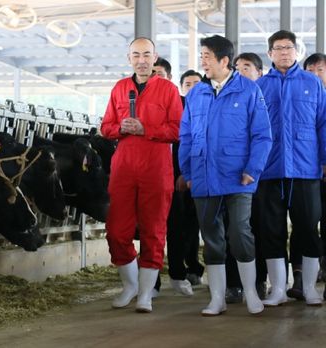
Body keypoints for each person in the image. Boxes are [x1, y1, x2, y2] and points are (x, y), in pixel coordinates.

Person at [179, 35, 272, 316]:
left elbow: (262, 135)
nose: (203, 61)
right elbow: (185, 135)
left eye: (207, 56)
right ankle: (216, 298)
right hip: (204, 175)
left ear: (224, 60)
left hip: (239, 176)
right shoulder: (197, 93)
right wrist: (188, 171)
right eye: (202, 55)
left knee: (240, 232)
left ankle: (252, 293)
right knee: (211, 238)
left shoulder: (248, 90)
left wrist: (252, 170)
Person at [101, 37, 182, 313]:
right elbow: (106, 127)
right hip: (124, 166)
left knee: (154, 230)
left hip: (157, 166)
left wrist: (145, 128)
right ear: (129, 58)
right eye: (136, 55)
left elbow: (177, 130)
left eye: (147, 54)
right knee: (115, 230)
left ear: (155, 57)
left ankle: (146, 293)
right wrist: (122, 127)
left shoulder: (169, 90)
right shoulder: (120, 88)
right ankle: (130, 285)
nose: (142, 60)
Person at [255, 30, 326, 307]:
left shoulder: (312, 83)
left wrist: (324, 160)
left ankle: (308, 287)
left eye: (288, 48)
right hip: (269, 171)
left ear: (296, 51)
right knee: (271, 230)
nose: (284, 52)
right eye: (278, 48)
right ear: (270, 54)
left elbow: (322, 125)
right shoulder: (260, 86)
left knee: (308, 228)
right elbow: (253, 129)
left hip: (305, 169)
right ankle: (277, 289)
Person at [224, 52, 268, 304]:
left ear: (259, 73)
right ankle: (233, 284)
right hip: (234, 176)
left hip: (259, 174)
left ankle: (258, 280)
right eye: (237, 67)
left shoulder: (262, 96)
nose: (240, 72)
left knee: (258, 227)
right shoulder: (229, 97)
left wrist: (254, 168)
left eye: (247, 67)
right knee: (234, 228)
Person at [287, 52, 326, 301]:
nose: (315, 74)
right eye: (310, 70)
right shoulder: (303, 96)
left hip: (318, 166)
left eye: (320, 69)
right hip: (307, 171)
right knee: (304, 224)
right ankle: (300, 278)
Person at [166, 69, 204, 296]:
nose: (192, 87)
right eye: (188, 84)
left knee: (196, 224)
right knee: (180, 225)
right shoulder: (177, 107)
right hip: (179, 177)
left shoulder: (209, 105)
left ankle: (194, 264)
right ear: (181, 87)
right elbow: (179, 143)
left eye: (196, 83)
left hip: (203, 174)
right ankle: (181, 268)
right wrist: (182, 173)